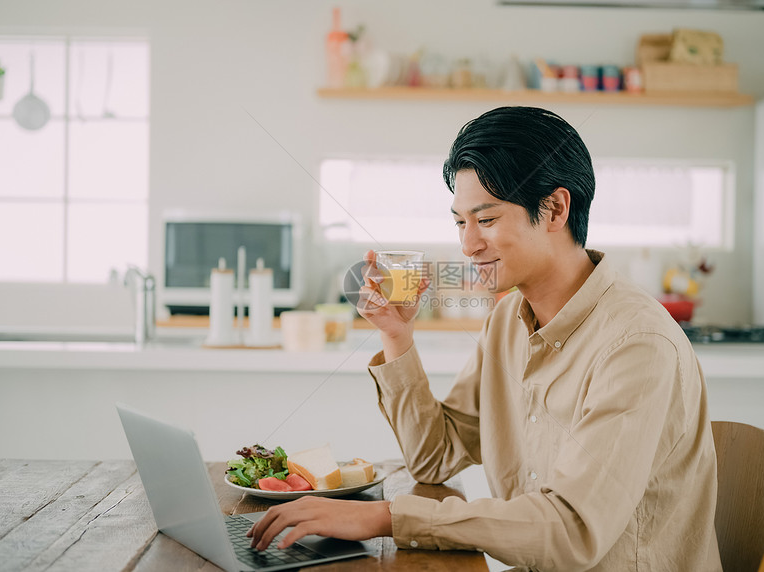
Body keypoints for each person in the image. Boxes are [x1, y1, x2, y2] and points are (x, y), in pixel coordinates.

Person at [248, 106, 722, 571]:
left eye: (487, 219)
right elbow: (436, 458)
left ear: (555, 208)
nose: (467, 244)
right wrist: (397, 336)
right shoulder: (507, 322)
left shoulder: (636, 344)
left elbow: (573, 531)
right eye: (460, 221)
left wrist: (382, 516)